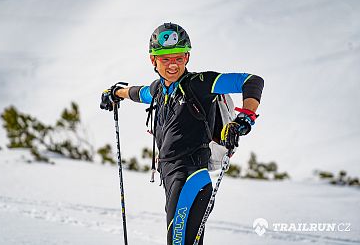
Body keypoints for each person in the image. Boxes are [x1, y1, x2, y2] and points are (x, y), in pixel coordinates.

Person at [100, 22, 264, 245]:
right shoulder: (159, 90)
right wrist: (115, 92)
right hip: (170, 176)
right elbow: (140, 93)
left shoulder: (201, 84)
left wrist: (245, 117)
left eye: (178, 58)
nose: (172, 65)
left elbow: (251, 81)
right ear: (153, 60)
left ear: (187, 57)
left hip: (191, 177)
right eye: (165, 59)